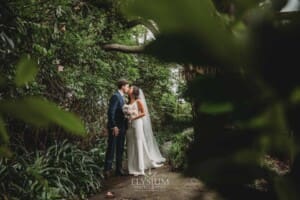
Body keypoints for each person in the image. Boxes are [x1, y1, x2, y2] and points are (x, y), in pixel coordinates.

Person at [124, 86, 165, 176]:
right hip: (129, 125)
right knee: (131, 144)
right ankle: (132, 168)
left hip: (137, 123)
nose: (129, 89)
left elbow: (143, 113)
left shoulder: (138, 101)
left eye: (130, 88)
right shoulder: (127, 102)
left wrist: (134, 117)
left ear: (134, 91)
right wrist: (127, 116)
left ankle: (140, 168)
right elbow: (126, 114)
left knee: (139, 143)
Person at [104, 79, 130, 178]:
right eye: (127, 86)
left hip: (122, 127)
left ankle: (119, 169)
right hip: (115, 127)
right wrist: (113, 126)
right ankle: (107, 170)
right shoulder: (115, 96)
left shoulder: (123, 97)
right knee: (111, 148)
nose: (128, 88)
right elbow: (111, 112)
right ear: (122, 86)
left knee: (120, 148)